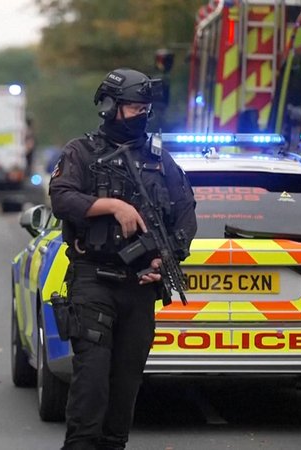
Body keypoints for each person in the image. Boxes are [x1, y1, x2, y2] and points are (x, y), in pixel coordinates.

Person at [48, 68, 197, 450]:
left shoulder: (161, 162)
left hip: (140, 286)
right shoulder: (81, 152)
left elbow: (185, 214)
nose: (140, 115)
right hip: (93, 279)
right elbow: (62, 197)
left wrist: (168, 259)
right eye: (133, 107)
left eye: (145, 108)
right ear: (110, 107)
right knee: (92, 379)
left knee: (126, 382)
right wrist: (112, 206)